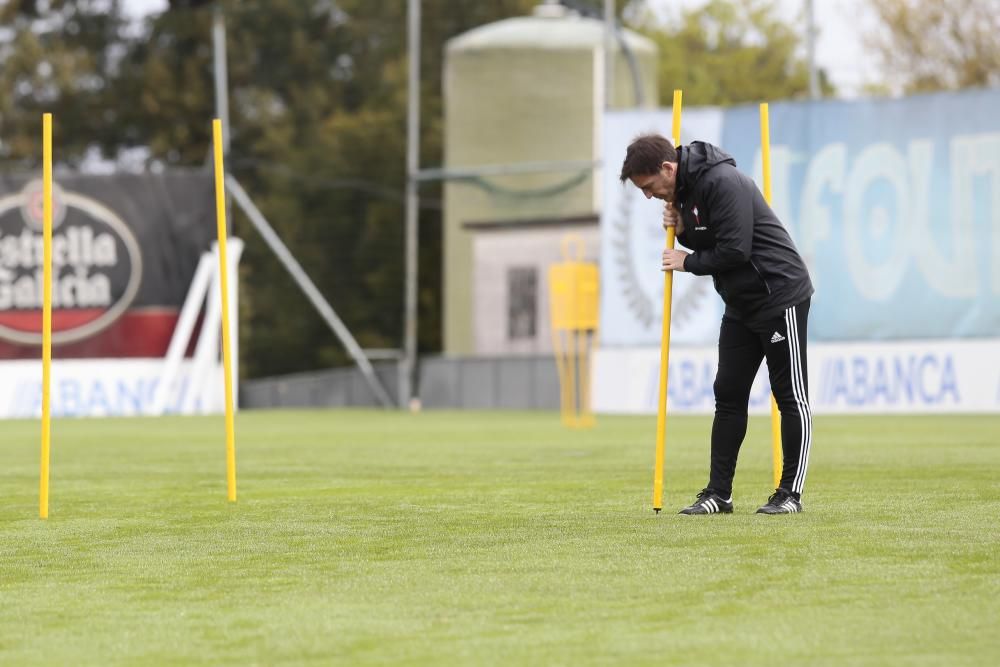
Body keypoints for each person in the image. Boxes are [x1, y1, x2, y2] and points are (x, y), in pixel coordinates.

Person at [620, 134, 814, 515]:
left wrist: (686, 260)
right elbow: (710, 238)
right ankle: (718, 494)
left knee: (789, 394)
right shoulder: (684, 193)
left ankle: (790, 493)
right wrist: (683, 228)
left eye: (649, 187)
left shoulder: (722, 182)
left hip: (779, 294)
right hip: (740, 304)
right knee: (727, 393)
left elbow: (735, 249)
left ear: (667, 168)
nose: (648, 196)